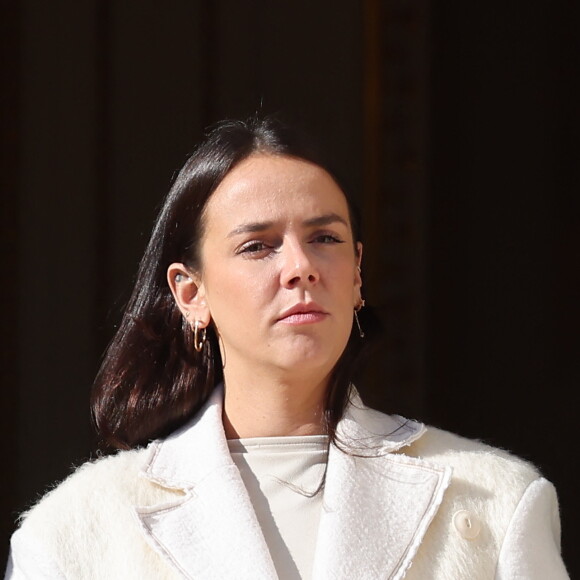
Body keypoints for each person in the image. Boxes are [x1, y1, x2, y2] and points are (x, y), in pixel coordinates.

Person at [5, 117, 569, 579]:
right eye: (258, 246)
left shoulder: (492, 502)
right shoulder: (76, 533)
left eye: (325, 238)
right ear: (190, 293)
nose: (301, 267)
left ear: (357, 276)